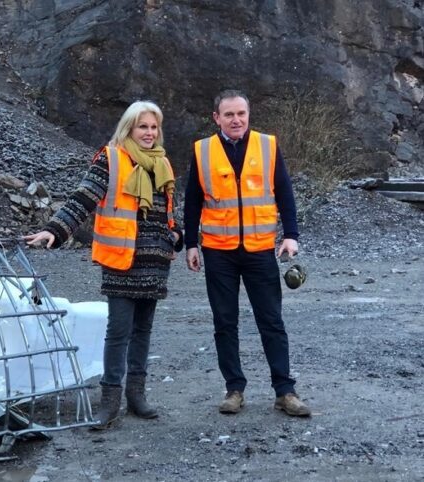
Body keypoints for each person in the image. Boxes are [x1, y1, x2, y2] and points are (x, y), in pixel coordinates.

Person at [24, 100, 183, 429]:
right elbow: (82, 198)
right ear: (129, 128)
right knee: (118, 332)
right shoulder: (111, 159)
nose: (149, 133)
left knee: (143, 331)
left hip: (154, 261)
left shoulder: (162, 164)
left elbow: (167, 211)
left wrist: (176, 233)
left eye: (154, 127)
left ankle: (136, 396)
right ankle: (109, 402)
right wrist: (55, 230)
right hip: (121, 260)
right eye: (143, 127)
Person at [183, 89, 311, 417]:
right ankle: (234, 389)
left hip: (258, 249)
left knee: (271, 320)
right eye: (229, 114)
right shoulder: (203, 150)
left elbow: (284, 191)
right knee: (225, 322)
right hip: (218, 251)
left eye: (241, 113)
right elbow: (193, 201)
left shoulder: (267, 145)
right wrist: (191, 244)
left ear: (248, 115)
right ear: (217, 118)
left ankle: (285, 391)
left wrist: (291, 236)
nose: (236, 119)